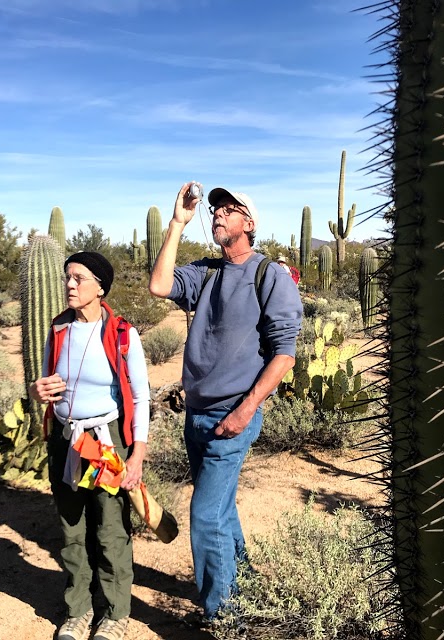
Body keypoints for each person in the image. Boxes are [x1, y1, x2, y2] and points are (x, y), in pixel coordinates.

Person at [149, 183, 303, 626]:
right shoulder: (206, 272)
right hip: (196, 413)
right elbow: (159, 286)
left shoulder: (268, 275)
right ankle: (245, 583)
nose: (218, 214)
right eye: (215, 209)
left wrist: (246, 409)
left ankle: (226, 619)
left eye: (229, 210)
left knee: (205, 517)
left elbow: (284, 354)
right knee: (221, 509)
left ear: (249, 224)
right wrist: (178, 221)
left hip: (232, 416)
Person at [28, 251, 150, 640]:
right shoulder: (59, 328)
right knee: (72, 526)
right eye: (67, 277)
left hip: (106, 441)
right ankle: (77, 610)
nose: (69, 285)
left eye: (79, 278)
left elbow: (142, 397)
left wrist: (138, 456)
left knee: (110, 528)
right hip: (66, 438)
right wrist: (36, 390)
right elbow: (45, 382)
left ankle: (115, 614)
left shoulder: (121, 333)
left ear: (100, 286)